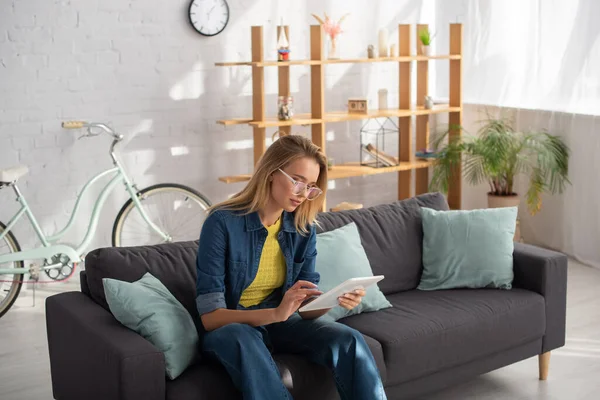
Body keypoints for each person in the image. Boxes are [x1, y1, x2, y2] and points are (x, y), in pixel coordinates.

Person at [195, 135, 386, 400]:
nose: (303, 193)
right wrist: (276, 313)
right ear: (272, 173)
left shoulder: (303, 228)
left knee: (349, 341)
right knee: (242, 338)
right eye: (297, 180)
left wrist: (335, 300)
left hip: (282, 322)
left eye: (311, 186)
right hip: (232, 328)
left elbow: (305, 311)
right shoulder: (222, 223)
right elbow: (211, 317)